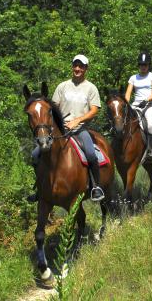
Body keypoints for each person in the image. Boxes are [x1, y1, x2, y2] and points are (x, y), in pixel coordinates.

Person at [28, 54, 105, 202]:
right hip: (61, 130)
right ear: (72, 67)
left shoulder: (91, 88)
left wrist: (77, 120)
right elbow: (53, 107)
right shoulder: (62, 86)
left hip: (80, 130)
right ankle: (41, 188)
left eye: (81, 66)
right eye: (75, 65)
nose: (77, 69)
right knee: (35, 154)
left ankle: (96, 186)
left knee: (90, 153)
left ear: (86, 68)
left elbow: (94, 110)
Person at [125, 52, 152, 163]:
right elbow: (128, 93)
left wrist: (146, 100)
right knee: (124, 121)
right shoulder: (133, 78)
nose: (143, 67)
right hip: (136, 105)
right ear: (138, 65)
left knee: (150, 125)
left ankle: (150, 151)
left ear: (149, 65)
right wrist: (126, 104)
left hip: (149, 105)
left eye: (145, 65)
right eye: (141, 65)